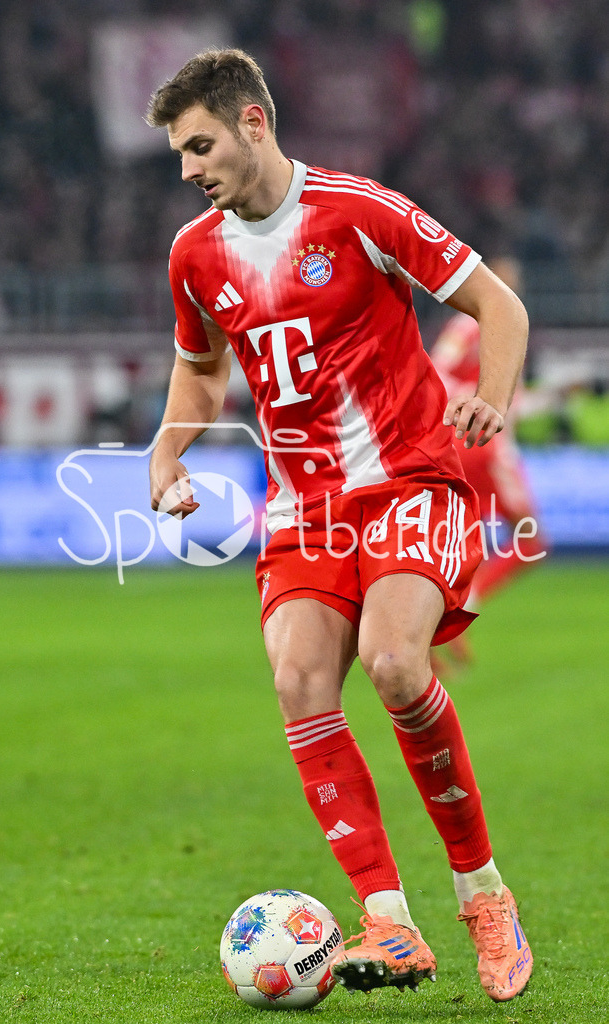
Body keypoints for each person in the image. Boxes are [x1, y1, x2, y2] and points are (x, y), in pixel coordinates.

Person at [146, 49, 532, 1003]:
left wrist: (489, 396)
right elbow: (201, 371)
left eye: (199, 146)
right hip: (304, 509)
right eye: (178, 155)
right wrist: (167, 452)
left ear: (253, 124)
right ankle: (388, 926)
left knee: (399, 665)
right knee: (298, 680)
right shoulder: (196, 254)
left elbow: (499, 303)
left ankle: (483, 895)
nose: (189, 169)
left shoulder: (361, 212)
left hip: (408, 481)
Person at [429, 257, 547, 675]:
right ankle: (456, 613)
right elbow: (437, 371)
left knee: (463, 540)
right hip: (484, 447)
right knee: (532, 541)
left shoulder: (499, 328)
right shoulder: (470, 325)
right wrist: (477, 404)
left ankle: (435, 618)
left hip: (468, 443)